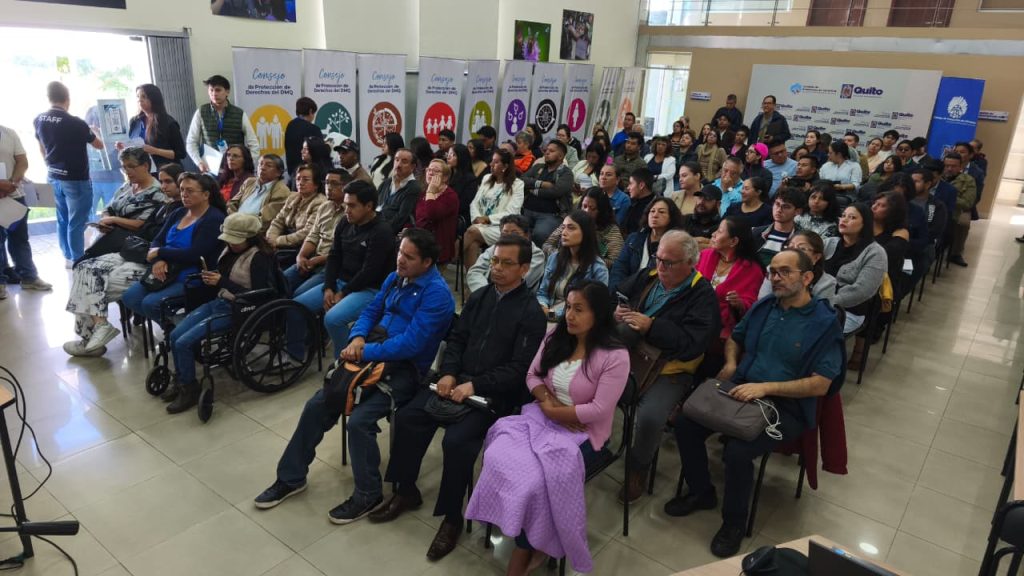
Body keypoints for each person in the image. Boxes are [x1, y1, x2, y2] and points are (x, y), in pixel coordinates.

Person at [255, 228, 455, 525]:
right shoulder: (395, 278)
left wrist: (364, 351)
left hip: (405, 369)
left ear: (427, 262)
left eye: (409, 257)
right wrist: (358, 337)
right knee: (317, 405)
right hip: (371, 353)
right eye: (400, 252)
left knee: (359, 422)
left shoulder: (437, 295)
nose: (400, 260)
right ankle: (291, 477)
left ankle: (368, 493)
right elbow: (371, 311)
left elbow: (412, 345)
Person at [374, 234, 547, 560]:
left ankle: (452, 518)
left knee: (456, 442)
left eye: (507, 263)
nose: (497, 268)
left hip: (492, 396)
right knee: (409, 417)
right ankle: (406, 491)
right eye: (494, 261)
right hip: (456, 382)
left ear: (525, 269)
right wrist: (450, 373)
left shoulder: (531, 313)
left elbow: (518, 369)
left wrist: (475, 385)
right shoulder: (480, 298)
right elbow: (456, 340)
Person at [666, 248, 844, 558]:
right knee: (685, 423)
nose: (776, 277)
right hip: (742, 387)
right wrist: (731, 363)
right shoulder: (765, 306)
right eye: (772, 271)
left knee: (737, 451)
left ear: (807, 277)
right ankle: (701, 491)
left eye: (785, 271)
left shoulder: (823, 323)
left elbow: (821, 383)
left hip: (785, 406)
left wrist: (766, 388)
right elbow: (736, 337)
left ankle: (733, 523)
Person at [466, 280, 628, 574]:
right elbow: (532, 375)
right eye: (568, 307)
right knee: (497, 453)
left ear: (599, 314)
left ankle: (529, 546)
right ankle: (518, 524)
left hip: (584, 434)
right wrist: (549, 405)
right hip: (543, 417)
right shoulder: (556, 335)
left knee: (538, 482)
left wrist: (557, 412)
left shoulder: (615, 356)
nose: (570, 315)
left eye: (579, 309)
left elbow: (599, 410)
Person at [615, 230, 720, 502]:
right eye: (658, 258)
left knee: (650, 417)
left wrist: (652, 327)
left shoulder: (702, 295)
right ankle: (591, 445)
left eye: (669, 262)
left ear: (690, 263)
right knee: (592, 386)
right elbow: (620, 292)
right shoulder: (649, 276)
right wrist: (617, 310)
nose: (660, 266)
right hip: (631, 357)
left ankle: (638, 467)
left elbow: (693, 344)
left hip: (671, 369)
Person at [163, 213, 283, 413]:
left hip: (241, 309)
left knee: (184, 342)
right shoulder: (229, 250)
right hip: (220, 302)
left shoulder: (259, 258)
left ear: (249, 238)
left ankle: (189, 388)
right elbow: (225, 279)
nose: (231, 243)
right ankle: (182, 378)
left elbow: (259, 295)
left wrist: (222, 282)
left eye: (236, 240)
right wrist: (213, 279)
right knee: (175, 335)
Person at [63, 154, 175, 355]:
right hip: (122, 245)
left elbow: (144, 227)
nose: (127, 171)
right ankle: (96, 330)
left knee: (88, 284)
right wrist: (107, 219)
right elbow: (109, 207)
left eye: (131, 166)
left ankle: (90, 340)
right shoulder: (127, 187)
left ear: (145, 165)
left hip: (137, 249)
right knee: (82, 267)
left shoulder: (159, 196)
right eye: (124, 167)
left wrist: (114, 221)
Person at [287, 179, 395, 359]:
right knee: (295, 306)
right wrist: (329, 287)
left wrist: (342, 293)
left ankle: (343, 362)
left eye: (352, 206)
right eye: (346, 204)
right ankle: (295, 357)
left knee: (333, 319)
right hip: (341, 282)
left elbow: (370, 272)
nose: (346, 210)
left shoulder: (381, 231)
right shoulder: (345, 222)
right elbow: (334, 256)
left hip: (369, 288)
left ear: (369, 206)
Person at [121, 173, 227, 324]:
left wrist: (160, 252)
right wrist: (158, 260)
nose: (184, 194)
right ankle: (171, 325)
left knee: (150, 303)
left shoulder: (214, 219)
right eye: (182, 189)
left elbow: (194, 255)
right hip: (165, 270)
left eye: (190, 191)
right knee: (130, 297)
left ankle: (175, 330)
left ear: (206, 195)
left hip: (191, 276)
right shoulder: (179, 212)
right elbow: (158, 239)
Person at [34, 81, 105, 264]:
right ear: (67, 99)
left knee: (62, 218)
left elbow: (42, 148)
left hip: (53, 176)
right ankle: (78, 260)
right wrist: (95, 132)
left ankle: (67, 256)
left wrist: (50, 165)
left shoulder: (39, 119)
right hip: (75, 178)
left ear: (49, 97)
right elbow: (98, 145)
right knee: (77, 221)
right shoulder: (76, 123)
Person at [696, 216, 765, 374]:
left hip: (722, 330)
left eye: (720, 231)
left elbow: (752, 307)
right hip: (694, 317)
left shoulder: (751, 269)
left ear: (733, 241)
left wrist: (739, 303)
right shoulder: (705, 255)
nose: (713, 234)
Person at [0, 124, 51, 299]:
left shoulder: (9, 132)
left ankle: (28, 277)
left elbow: (22, 161)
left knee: (20, 238)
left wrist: (12, 183)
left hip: (14, 195)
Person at [824, 203, 887, 343]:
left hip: (848, 311)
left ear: (865, 224)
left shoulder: (875, 253)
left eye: (852, 217)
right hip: (818, 304)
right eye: (843, 216)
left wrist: (826, 302)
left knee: (812, 332)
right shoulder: (829, 243)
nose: (844, 220)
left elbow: (862, 291)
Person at [283, 169, 352, 295]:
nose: (329, 187)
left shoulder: (351, 212)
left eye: (334, 184)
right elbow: (313, 236)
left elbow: (344, 251)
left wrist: (317, 260)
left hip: (331, 264)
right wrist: (301, 257)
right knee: (280, 282)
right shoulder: (324, 207)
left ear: (346, 186)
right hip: (313, 258)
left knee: (298, 294)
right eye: (326, 183)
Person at [537, 210, 609, 316]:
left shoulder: (598, 268)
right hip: (548, 312)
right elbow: (542, 293)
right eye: (563, 227)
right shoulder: (554, 258)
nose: (564, 233)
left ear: (585, 232)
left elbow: (592, 307)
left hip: (575, 319)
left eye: (571, 228)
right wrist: (542, 306)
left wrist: (552, 314)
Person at [462, 149, 524, 267]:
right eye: (491, 161)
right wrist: (476, 218)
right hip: (480, 225)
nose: (491, 164)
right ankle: (473, 278)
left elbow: (513, 212)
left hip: (502, 228)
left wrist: (487, 219)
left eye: (496, 162)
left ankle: (443, 262)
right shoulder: (486, 178)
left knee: (471, 232)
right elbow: (474, 202)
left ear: (505, 166)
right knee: (472, 244)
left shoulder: (517, 184)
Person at [185, 75, 260, 173]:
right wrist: (199, 162)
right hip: (210, 169)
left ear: (227, 92)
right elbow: (191, 142)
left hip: (235, 171)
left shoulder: (239, 113)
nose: (214, 94)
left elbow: (253, 143)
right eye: (211, 90)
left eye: (218, 90)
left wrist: (247, 165)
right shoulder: (201, 112)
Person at [610, 197, 684, 292]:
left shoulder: (675, 245)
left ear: (671, 218)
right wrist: (617, 292)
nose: (655, 215)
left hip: (654, 294)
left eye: (661, 212)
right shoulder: (634, 239)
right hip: (626, 291)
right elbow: (619, 268)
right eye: (652, 211)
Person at [543, 188, 624, 269]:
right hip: (562, 265)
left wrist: (584, 260)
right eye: (584, 206)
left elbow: (615, 262)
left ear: (601, 211)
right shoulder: (571, 222)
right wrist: (566, 257)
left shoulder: (610, 230)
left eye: (592, 208)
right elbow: (547, 245)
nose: (586, 211)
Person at [467, 215, 546, 293]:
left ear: (526, 236)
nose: (509, 237)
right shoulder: (495, 248)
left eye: (514, 234)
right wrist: (484, 292)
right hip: (486, 292)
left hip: (517, 298)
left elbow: (519, 282)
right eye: (505, 233)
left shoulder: (536, 255)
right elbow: (474, 271)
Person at [266, 163, 326, 257]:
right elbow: (278, 221)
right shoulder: (292, 197)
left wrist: (277, 241)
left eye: (305, 180)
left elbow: (306, 233)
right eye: (298, 179)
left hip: (300, 249)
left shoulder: (320, 202)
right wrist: (271, 238)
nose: (300, 183)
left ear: (316, 184)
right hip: (282, 244)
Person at [521, 140, 574, 247]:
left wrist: (533, 190)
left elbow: (555, 191)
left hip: (550, 215)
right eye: (546, 150)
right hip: (527, 210)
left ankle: (538, 256)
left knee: (539, 235)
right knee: (515, 232)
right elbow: (522, 180)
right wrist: (541, 183)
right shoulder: (538, 167)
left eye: (551, 151)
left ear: (560, 156)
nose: (547, 153)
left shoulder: (566, 173)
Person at [121, 84, 186, 170]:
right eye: (138, 97)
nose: (140, 100)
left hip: (166, 171)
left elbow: (181, 153)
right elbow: (134, 146)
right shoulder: (134, 121)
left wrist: (155, 151)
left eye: (144, 97)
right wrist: (124, 147)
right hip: (142, 171)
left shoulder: (169, 123)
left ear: (154, 99)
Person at [226, 154, 290, 231]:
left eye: (268, 166)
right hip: (234, 224)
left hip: (253, 231)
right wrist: (233, 219)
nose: (262, 168)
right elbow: (232, 203)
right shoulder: (249, 182)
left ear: (278, 173)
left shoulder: (281, 191)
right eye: (260, 164)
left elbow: (265, 220)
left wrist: (238, 224)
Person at [415, 159, 459, 265]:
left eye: (436, 171)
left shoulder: (450, 196)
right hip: (420, 239)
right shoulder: (423, 192)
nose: (430, 173)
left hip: (437, 246)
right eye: (429, 170)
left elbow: (432, 214)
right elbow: (416, 216)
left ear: (445, 177)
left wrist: (431, 191)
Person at [752, 187, 806, 267]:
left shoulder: (802, 239)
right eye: (777, 204)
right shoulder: (756, 232)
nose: (779, 210)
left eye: (786, 207)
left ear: (798, 211)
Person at [872, 191, 911, 302]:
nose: (874, 207)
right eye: (875, 203)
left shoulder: (901, 232)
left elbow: (884, 256)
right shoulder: (864, 225)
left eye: (882, 205)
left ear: (893, 211)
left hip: (884, 279)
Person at [377, 148, 422, 236]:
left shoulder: (413, 188)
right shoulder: (386, 183)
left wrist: (379, 230)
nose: (398, 165)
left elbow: (401, 218)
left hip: (390, 234)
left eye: (404, 162)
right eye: (396, 160)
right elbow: (375, 205)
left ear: (413, 167)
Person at [943, 152, 976, 267]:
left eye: (953, 166)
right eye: (947, 166)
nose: (949, 169)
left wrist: (949, 196)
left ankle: (955, 253)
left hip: (956, 211)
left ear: (961, 167)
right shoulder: (937, 176)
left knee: (963, 223)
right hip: (935, 208)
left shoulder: (968, 180)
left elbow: (967, 203)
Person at [283, 97, 321, 177]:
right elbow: (319, 153)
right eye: (314, 113)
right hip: (309, 174)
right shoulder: (314, 129)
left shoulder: (290, 125)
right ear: (310, 111)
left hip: (293, 173)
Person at [682, 184, 724, 249]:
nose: (701, 202)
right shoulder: (686, 219)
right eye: (700, 197)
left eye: (707, 199)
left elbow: (715, 249)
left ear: (718, 204)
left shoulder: (721, 226)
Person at [445, 143, 478, 223]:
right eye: (448, 154)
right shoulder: (447, 175)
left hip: (458, 216)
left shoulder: (470, 179)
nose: (448, 157)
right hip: (444, 211)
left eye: (453, 155)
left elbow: (463, 204)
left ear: (461, 157)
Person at [620, 167, 657, 238]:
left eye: (631, 184)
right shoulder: (633, 201)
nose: (628, 187)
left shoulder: (654, 207)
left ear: (641, 185)